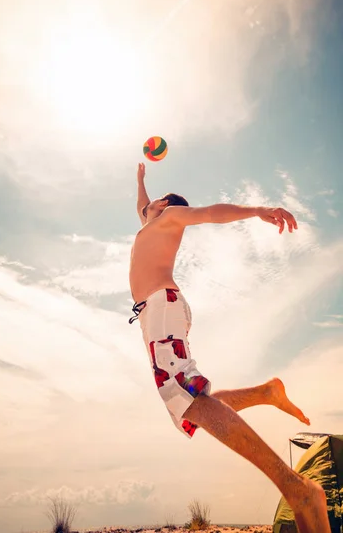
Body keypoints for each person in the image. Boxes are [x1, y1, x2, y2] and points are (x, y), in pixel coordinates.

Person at [128, 162, 330, 533]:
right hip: (154, 315)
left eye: (154, 202)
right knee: (190, 408)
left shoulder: (169, 215)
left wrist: (258, 210)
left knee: (186, 400)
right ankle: (266, 392)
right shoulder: (149, 222)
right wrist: (140, 179)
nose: (148, 205)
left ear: (165, 204)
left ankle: (296, 488)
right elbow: (140, 203)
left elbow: (208, 214)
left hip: (162, 308)